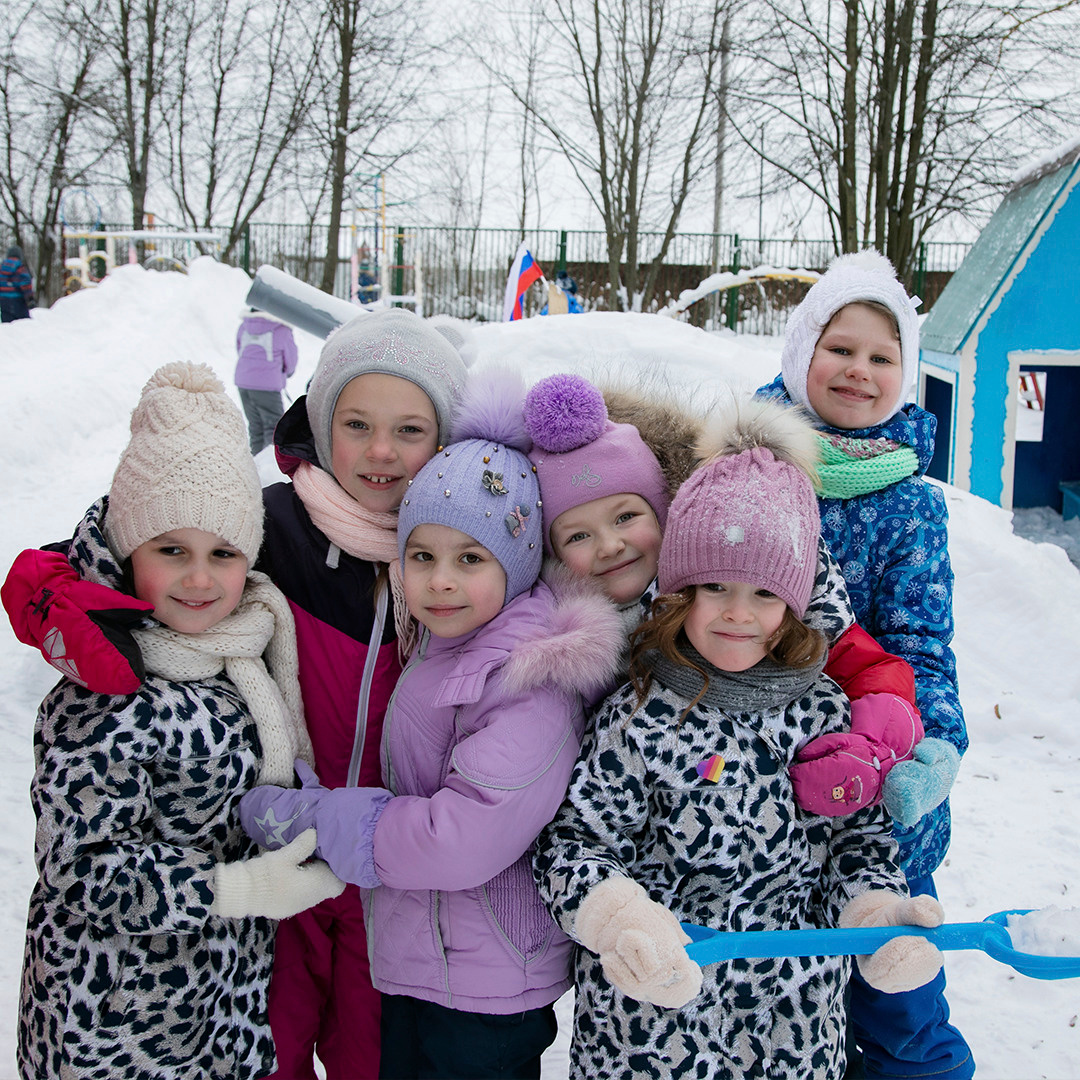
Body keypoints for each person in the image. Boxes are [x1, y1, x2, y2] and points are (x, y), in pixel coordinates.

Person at [1, 308, 471, 1079]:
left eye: (410, 430)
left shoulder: (455, 543)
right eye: (356, 423)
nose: (381, 452)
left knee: (372, 1056)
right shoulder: (269, 526)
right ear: (320, 422)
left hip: (387, 870)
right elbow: (137, 546)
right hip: (270, 860)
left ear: (443, 436)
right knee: (264, 1047)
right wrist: (66, 601)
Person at [533, 397, 947, 1080]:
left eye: (763, 593)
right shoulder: (640, 713)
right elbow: (577, 844)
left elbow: (859, 845)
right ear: (678, 592)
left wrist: (875, 913)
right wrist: (618, 919)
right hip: (651, 1025)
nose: (736, 613)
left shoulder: (824, 713)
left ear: (796, 601)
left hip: (794, 1020)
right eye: (714, 586)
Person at [239, 369, 626, 1079]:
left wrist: (315, 819)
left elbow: (464, 835)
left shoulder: (529, 675)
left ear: (514, 562)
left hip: (485, 987)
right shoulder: (443, 646)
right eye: (422, 557)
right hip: (423, 965)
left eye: (470, 559)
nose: (440, 580)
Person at [9, 362, 343, 1080]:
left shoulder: (244, 650)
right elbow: (83, 867)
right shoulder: (106, 690)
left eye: (222, 554)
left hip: (221, 1006)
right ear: (131, 554)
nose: (199, 579)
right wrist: (237, 889)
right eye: (171, 551)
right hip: (116, 1023)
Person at [758, 249, 972, 1079]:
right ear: (800, 350)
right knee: (780, 1007)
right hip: (757, 785)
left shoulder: (911, 499)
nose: (859, 370)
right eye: (839, 347)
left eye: (883, 357)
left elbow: (924, 641)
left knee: (897, 1006)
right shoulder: (751, 465)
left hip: (876, 776)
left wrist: (935, 746)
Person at [522, 371, 926, 786]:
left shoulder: (741, 577)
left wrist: (873, 743)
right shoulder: (549, 633)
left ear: (667, 514)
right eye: (578, 536)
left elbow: (865, 666)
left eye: (626, 517)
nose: (609, 545)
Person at [235, 306, 299, 455]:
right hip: (267, 386)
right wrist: (286, 373)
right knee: (274, 429)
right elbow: (290, 359)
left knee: (256, 427)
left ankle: (256, 467)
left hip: (243, 382)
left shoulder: (244, 326)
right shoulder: (282, 329)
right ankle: (270, 471)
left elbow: (240, 350)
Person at [1, 243, 35, 321]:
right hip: (17, 301)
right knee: (23, 323)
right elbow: (25, 283)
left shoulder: (1, 267)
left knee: (8, 324)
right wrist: (30, 299)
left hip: (3, 301)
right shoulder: (19, 267)